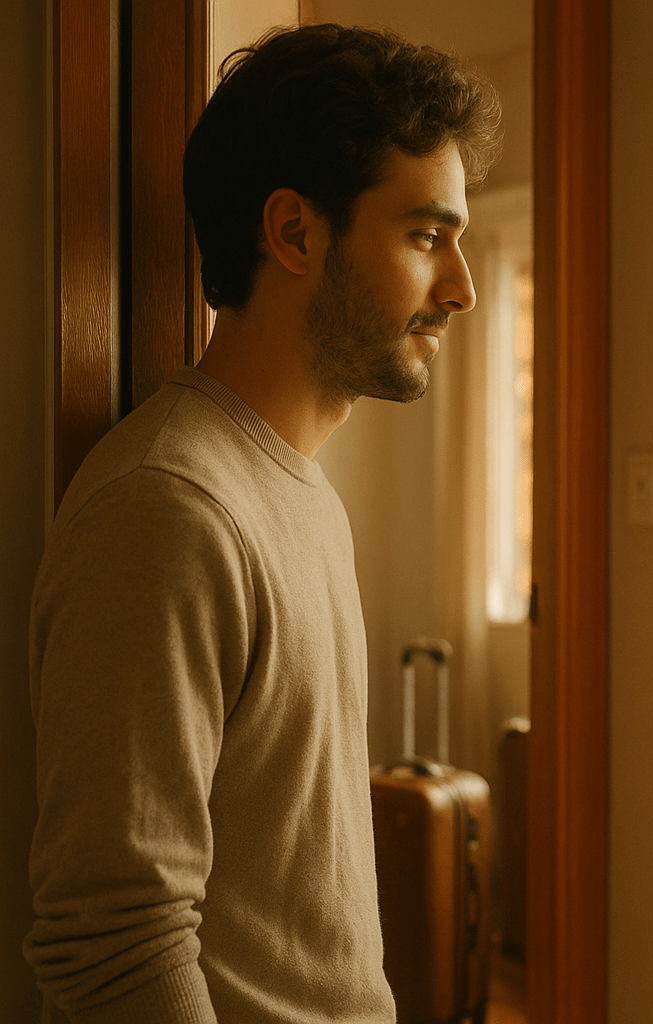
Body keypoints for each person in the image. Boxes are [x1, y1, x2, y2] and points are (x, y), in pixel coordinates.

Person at [25, 24, 498, 1022]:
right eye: (426, 235)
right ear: (293, 234)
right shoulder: (168, 509)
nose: (461, 287)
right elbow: (111, 946)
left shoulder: (301, 495)